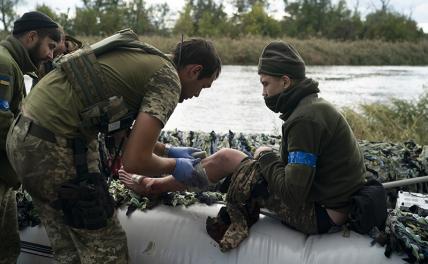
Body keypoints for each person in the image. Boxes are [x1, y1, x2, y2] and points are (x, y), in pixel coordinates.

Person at [6, 28, 221, 263]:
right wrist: (176, 167)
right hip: (55, 148)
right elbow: (135, 161)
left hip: (22, 139)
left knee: (68, 247)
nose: (197, 95)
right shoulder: (168, 80)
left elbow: (121, 132)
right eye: (203, 86)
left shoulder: (142, 58)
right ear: (194, 70)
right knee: (108, 249)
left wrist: (166, 151)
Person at [121, 41, 366, 237]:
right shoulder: (310, 107)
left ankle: (153, 186)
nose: (263, 93)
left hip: (320, 214)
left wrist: (267, 156)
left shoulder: (305, 120)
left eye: (266, 84)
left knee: (229, 158)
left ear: (286, 81)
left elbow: (293, 193)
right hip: (325, 202)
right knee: (231, 159)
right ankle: (156, 185)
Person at [0, 11, 60, 263]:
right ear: (32, 37)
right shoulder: (3, 64)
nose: (50, 55)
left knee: (8, 248)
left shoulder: (12, 64)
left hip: (5, 177)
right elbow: (2, 123)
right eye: (50, 46)